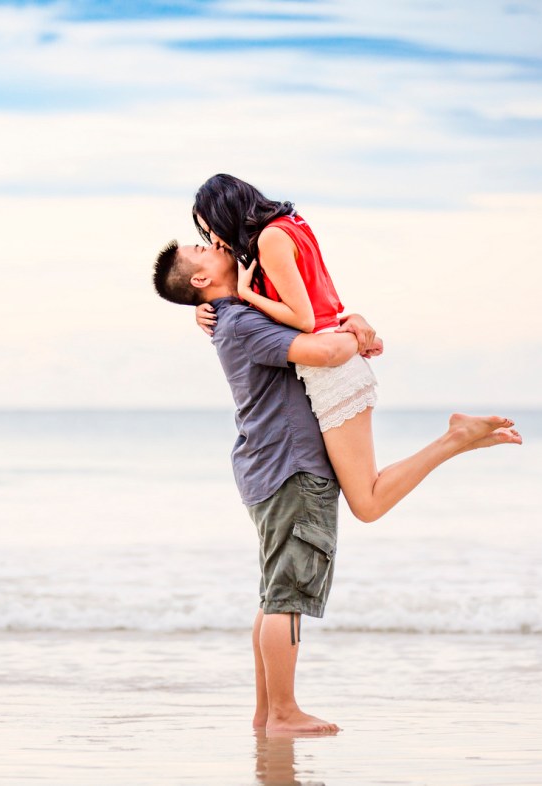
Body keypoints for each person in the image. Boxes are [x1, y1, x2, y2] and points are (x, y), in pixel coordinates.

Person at [152, 241, 516, 734]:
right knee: (287, 596)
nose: (216, 245)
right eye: (203, 248)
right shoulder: (239, 321)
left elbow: (305, 324)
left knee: (275, 593)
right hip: (291, 463)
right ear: (200, 280)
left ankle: (267, 713)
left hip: (272, 463)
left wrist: (352, 322)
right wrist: (354, 334)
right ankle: (284, 712)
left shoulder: (237, 314)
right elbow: (324, 351)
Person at [191, 174, 521, 523]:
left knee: (368, 504)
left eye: (210, 230)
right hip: (333, 355)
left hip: (330, 368)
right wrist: (208, 306)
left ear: (225, 211)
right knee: (367, 497)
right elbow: (314, 303)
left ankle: (455, 438)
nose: (215, 241)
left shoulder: (270, 240)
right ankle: (462, 439)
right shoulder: (288, 224)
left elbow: (303, 319)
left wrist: (246, 294)